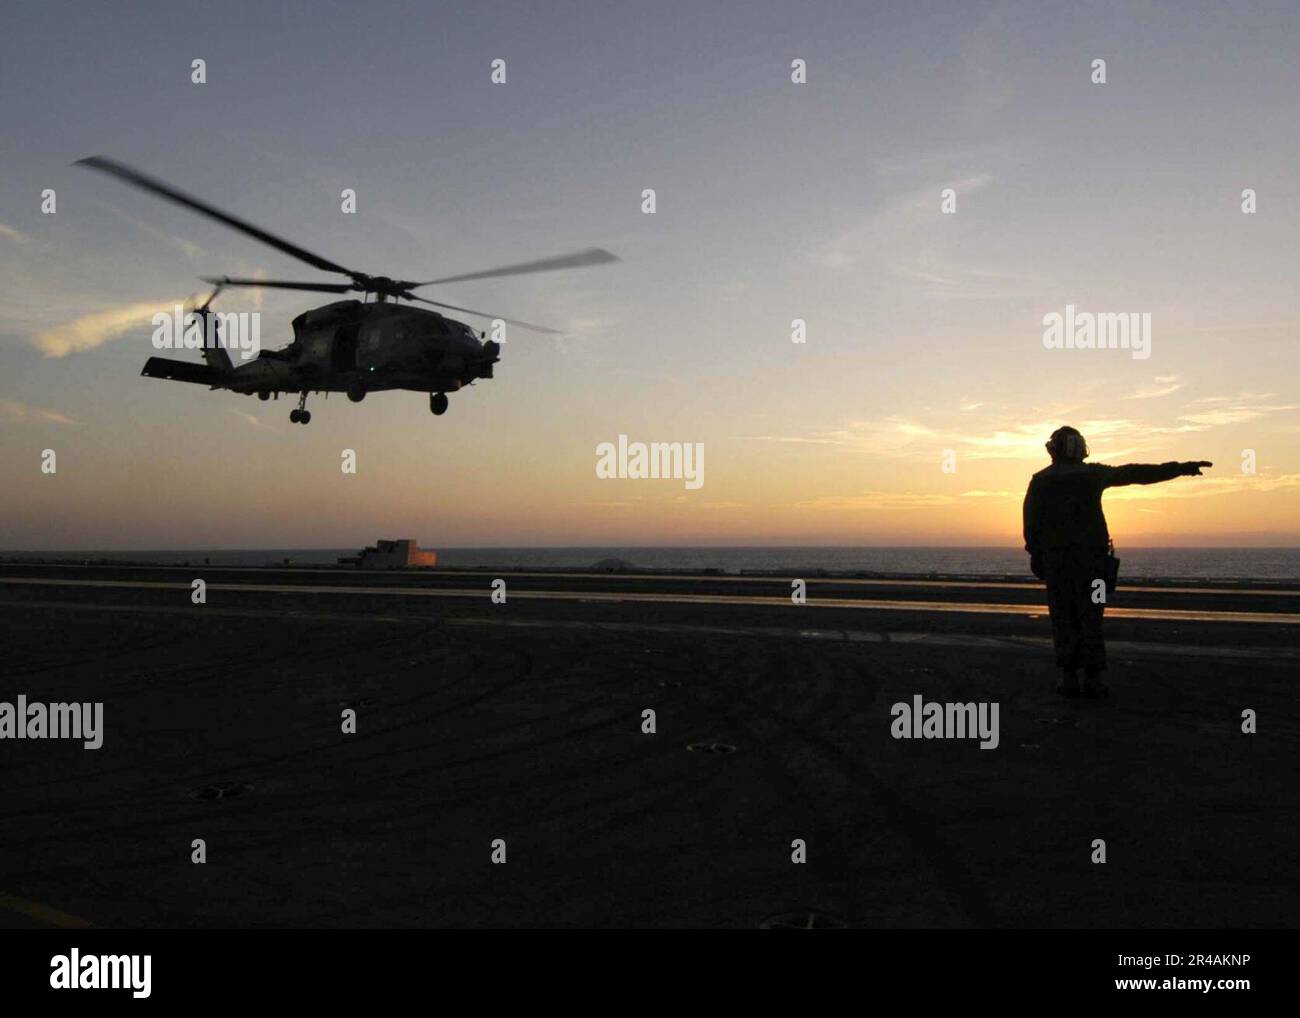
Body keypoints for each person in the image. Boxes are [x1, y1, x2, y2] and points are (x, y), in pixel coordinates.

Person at [1022, 426, 1211, 699]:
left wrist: (1036, 554)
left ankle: (1069, 677)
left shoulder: (1040, 480)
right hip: (1094, 562)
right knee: (1092, 617)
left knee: (1063, 618)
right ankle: (1094, 678)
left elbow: (1030, 522)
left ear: (1054, 449)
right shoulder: (1093, 474)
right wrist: (1181, 468)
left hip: (1057, 562)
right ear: (1080, 449)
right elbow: (1136, 473)